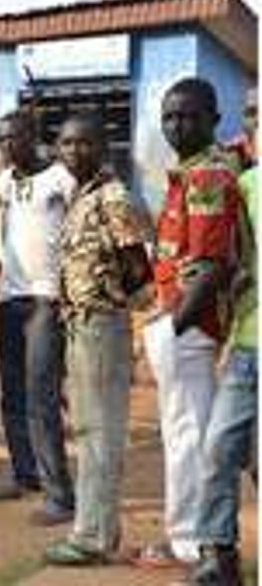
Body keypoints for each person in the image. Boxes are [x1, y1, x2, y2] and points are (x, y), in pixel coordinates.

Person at [137, 77, 241, 568]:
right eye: (170, 117)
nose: (177, 125)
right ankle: (195, 536)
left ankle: (190, 539)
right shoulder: (193, 171)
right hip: (182, 320)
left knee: (188, 436)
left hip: (189, 324)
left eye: (189, 116)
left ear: (214, 119)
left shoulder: (208, 178)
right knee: (189, 433)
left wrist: (173, 325)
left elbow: (214, 263)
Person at [42, 115, 152, 566]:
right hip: (80, 325)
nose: (73, 152)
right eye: (66, 144)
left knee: (100, 433)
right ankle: (98, 528)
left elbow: (138, 267)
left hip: (101, 324)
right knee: (88, 431)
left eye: (83, 143)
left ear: (102, 146)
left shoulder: (112, 197)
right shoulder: (79, 197)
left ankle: (93, 538)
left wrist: (113, 309)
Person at [0, 110, 76, 525]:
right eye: (1, 139)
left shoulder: (60, 177)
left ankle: (60, 494)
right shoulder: (4, 182)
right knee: (12, 393)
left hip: (46, 299)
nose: (6, 146)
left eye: (14, 138)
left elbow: (79, 227)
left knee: (41, 396)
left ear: (33, 137)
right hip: (10, 299)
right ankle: (25, 474)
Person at [189, 162, 256, 584]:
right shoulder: (245, 185)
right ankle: (219, 552)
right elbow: (222, 252)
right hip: (248, 343)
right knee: (218, 447)